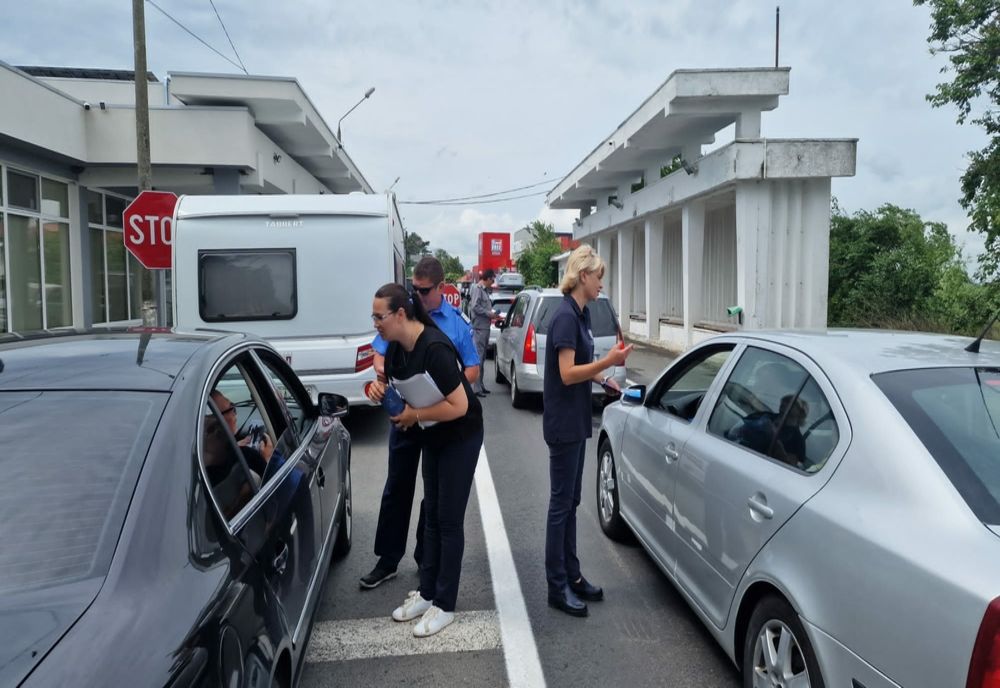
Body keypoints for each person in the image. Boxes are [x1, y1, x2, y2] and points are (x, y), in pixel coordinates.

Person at [367, 282, 484, 637]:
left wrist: (414, 416)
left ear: (401, 314)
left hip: (461, 434)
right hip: (433, 431)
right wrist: (379, 393)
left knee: (448, 520)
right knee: (431, 514)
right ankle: (428, 592)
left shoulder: (434, 348)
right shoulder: (395, 350)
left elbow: (460, 405)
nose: (375, 324)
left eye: (379, 317)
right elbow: (398, 393)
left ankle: (445, 605)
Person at [542, 245, 631, 617]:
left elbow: (580, 366)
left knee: (572, 503)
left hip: (576, 420)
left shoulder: (581, 315)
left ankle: (573, 575)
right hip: (563, 424)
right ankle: (557, 585)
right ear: (582, 276)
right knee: (561, 505)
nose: (601, 284)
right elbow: (565, 373)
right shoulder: (565, 317)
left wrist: (604, 377)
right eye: (598, 277)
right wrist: (608, 360)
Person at [469, 269, 496, 396]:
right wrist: (488, 313)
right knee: (478, 358)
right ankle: (476, 388)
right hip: (479, 328)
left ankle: (481, 385)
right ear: (488, 278)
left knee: (483, 357)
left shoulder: (484, 291)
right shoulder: (478, 289)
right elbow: (475, 306)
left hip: (485, 327)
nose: (493, 282)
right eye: (492, 279)